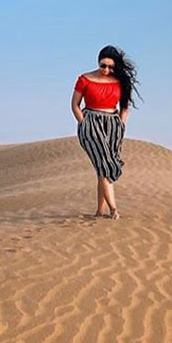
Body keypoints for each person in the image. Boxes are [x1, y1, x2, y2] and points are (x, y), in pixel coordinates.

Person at [71, 45, 140, 219]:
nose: (106, 70)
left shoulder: (120, 82)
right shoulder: (84, 79)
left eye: (110, 67)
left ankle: (99, 211)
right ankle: (113, 209)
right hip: (91, 122)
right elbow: (74, 105)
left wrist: (121, 125)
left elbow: (125, 107)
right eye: (103, 65)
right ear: (98, 62)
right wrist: (84, 123)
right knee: (104, 165)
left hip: (113, 124)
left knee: (103, 168)